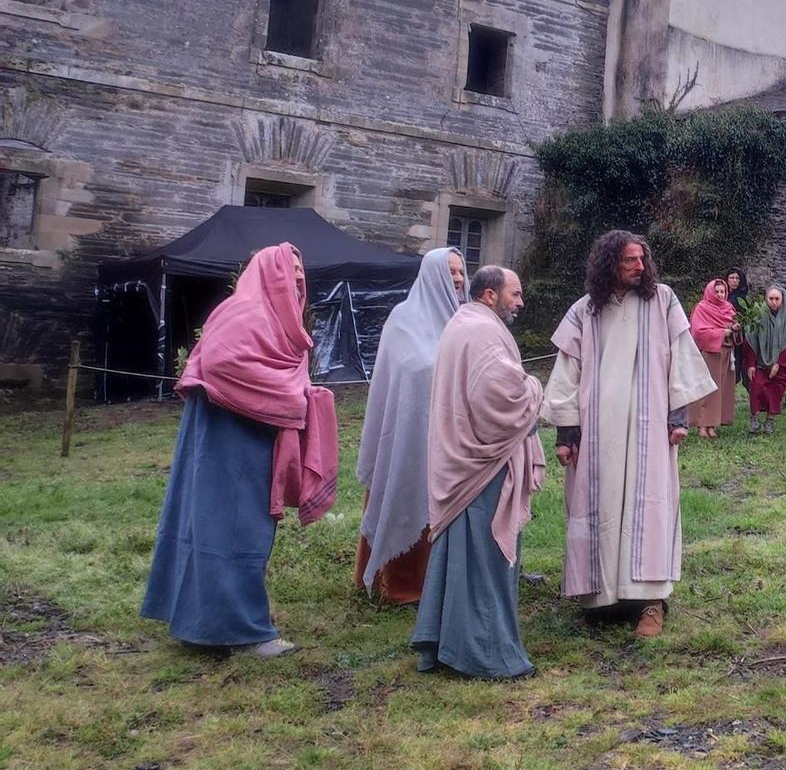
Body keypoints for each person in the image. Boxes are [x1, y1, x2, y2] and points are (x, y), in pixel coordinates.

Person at [141, 244, 336, 657]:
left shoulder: (280, 322)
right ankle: (239, 631)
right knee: (228, 530)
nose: (299, 278)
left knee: (236, 529)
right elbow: (220, 365)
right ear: (267, 272)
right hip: (226, 442)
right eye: (290, 270)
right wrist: (292, 398)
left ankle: (206, 625)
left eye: (303, 270)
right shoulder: (243, 313)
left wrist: (300, 395)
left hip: (253, 441)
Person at [545, 231, 714, 638]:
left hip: (648, 428)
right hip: (599, 432)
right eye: (630, 261)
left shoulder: (663, 301)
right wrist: (567, 433)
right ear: (609, 264)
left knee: (648, 507)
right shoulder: (585, 312)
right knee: (600, 507)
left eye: (642, 259)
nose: (640, 267)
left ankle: (651, 600)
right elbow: (567, 373)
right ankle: (604, 596)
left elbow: (681, 357)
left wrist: (678, 416)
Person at [412, 265, 547, 679]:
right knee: (485, 559)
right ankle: (485, 655)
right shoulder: (482, 331)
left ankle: (443, 644)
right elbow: (500, 395)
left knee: (460, 555)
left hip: (461, 459)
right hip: (480, 463)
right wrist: (536, 388)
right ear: (490, 295)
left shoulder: (463, 322)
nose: (520, 302)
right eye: (515, 294)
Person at [355, 247, 464, 604]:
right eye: (451, 272)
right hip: (409, 434)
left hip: (451, 440)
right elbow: (408, 372)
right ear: (432, 274)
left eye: (462, 272)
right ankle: (399, 582)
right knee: (405, 490)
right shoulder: (404, 319)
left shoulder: (463, 321)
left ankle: (442, 580)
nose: (459, 279)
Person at [745, 285, 786, 434]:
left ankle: (770, 421)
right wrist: (751, 364)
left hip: (781, 362)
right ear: (766, 299)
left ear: (782, 300)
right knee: (757, 387)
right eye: (771, 299)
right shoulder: (758, 314)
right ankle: (755, 419)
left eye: (777, 299)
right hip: (760, 362)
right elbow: (751, 340)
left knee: (775, 390)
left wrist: (778, 363)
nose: (774, 302)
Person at [687, 278, 738, 438]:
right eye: (716, 291)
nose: (720, 295)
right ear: (710, 291)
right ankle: (701, 424)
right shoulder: (702, 308)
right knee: (706, 388)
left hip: (725, 353)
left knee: (720, 390)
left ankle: (712, 424)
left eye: (722, 291)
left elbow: (736, 330)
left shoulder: (729, 309)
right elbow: (698, 331)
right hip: (709, 353)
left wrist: (736, 330)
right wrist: (723, 333)